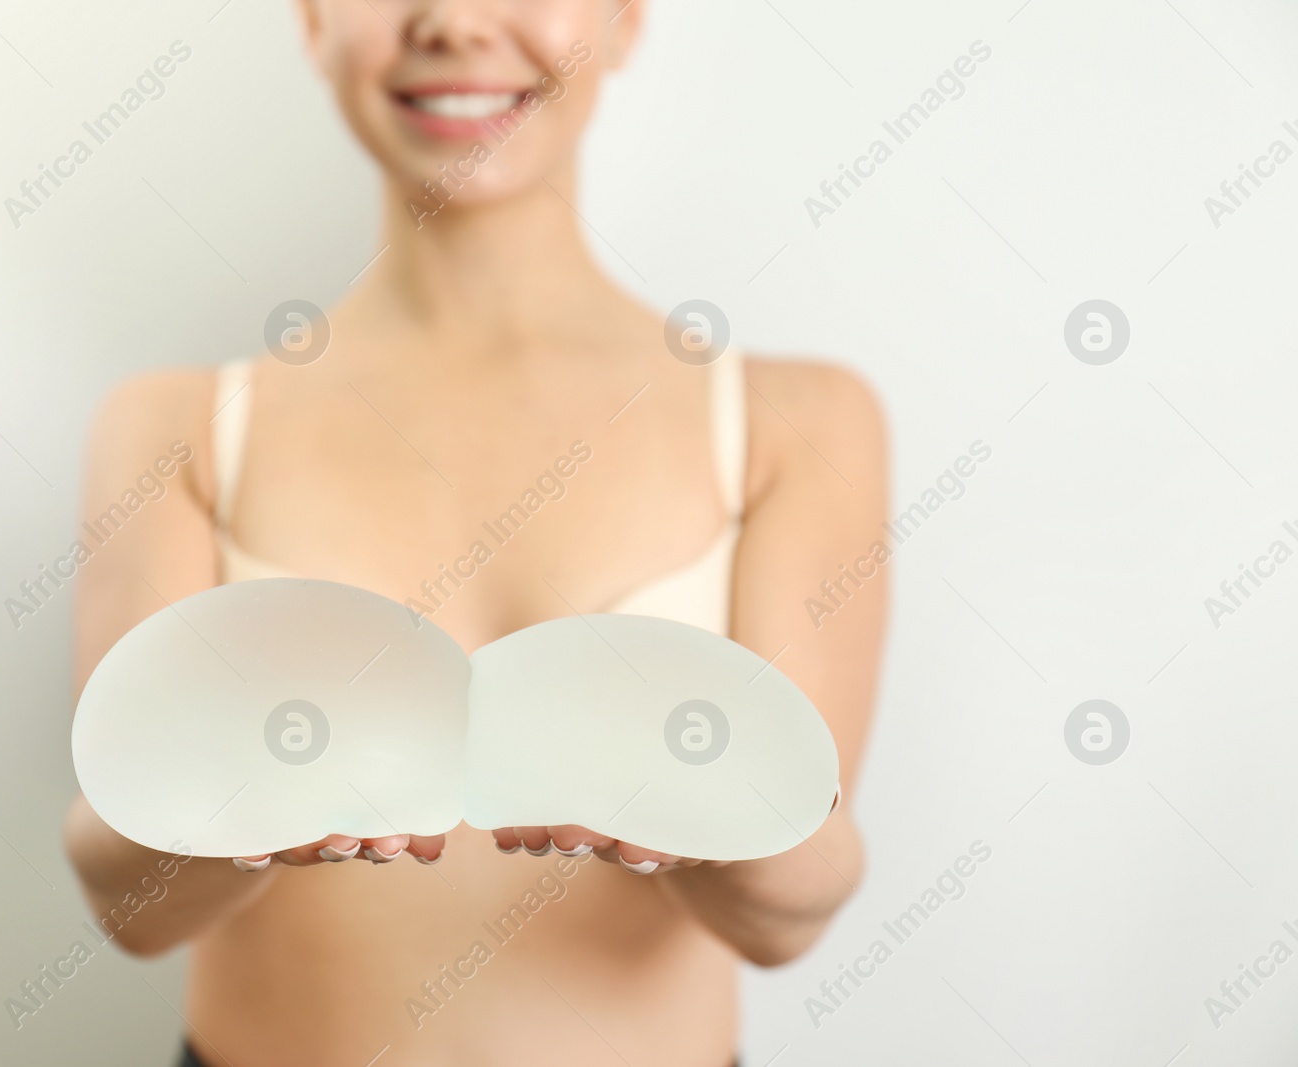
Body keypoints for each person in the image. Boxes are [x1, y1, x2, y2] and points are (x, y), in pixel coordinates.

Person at [63, 2, 888, 1063]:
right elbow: (133, 907)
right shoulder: (174, 426)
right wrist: (245, 817)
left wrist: (704, 827)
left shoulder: (794, 423)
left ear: (624, 19)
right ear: (314, 21)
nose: (451, 21)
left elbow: (790, 915)